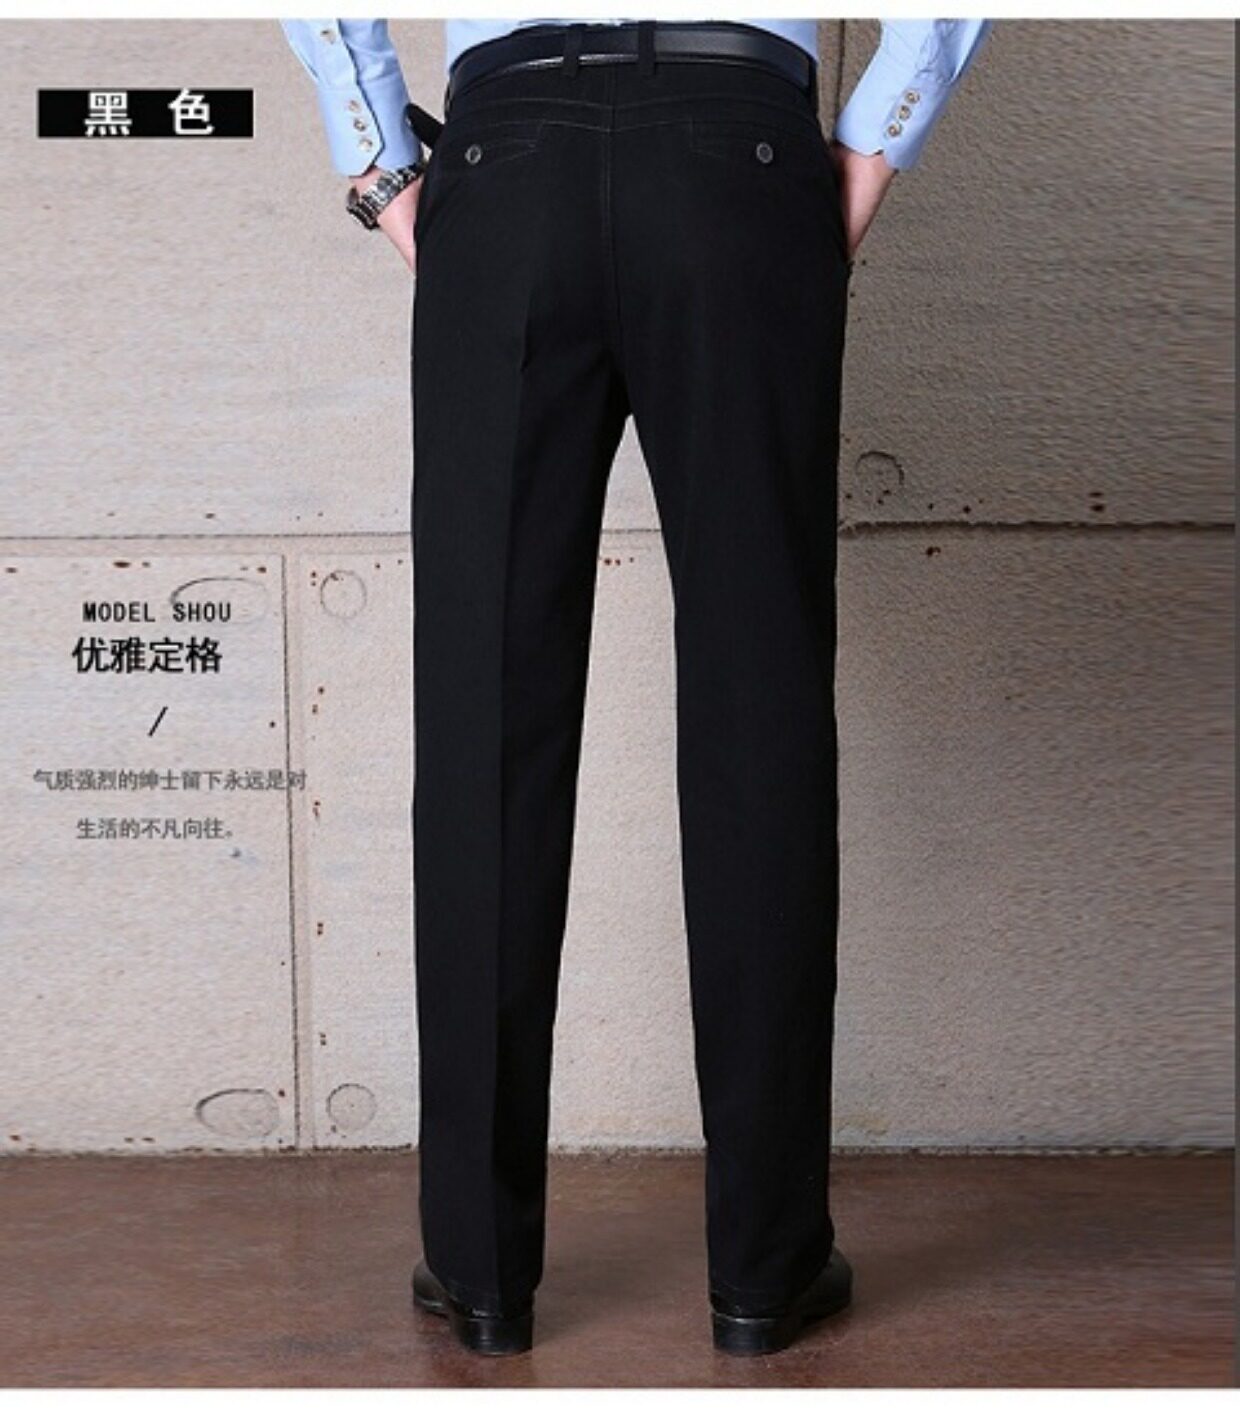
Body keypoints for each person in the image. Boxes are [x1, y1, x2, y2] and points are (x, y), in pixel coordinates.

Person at [282, 16, 992, 1358]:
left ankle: (481, 1270)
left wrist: (379, 159)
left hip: (509, 162)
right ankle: (765, 1269)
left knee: (485, 715)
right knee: (762, 713)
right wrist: (868, 149)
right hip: (742, 160)